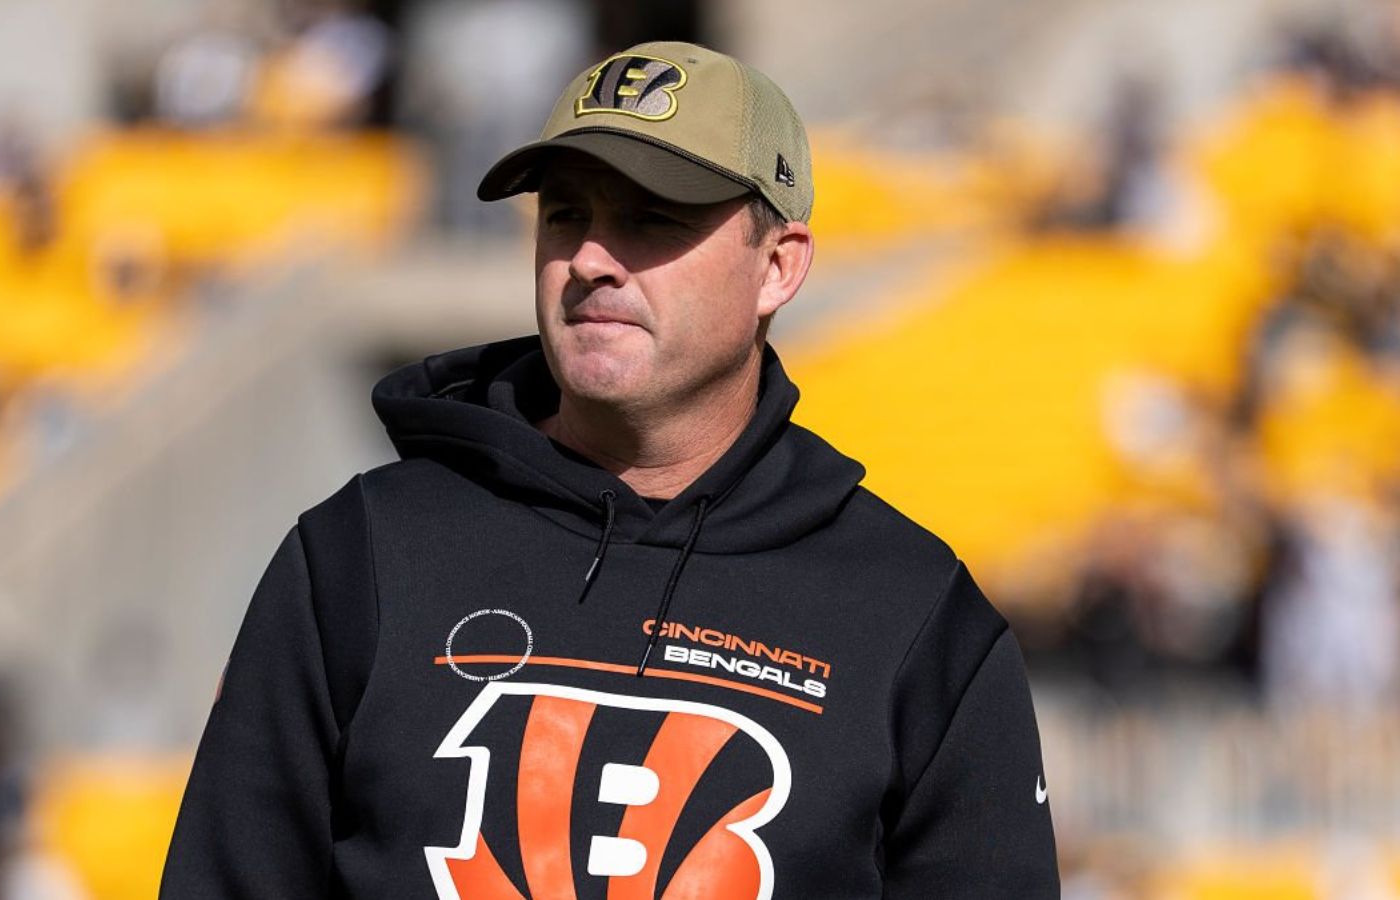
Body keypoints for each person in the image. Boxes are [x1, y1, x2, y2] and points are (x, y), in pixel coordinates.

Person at [161, 41, 1059, 898]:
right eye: (565, 216)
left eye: (650, 219)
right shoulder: (362, 553)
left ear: (777, 268)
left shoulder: (911, 613)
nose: (591, 260)